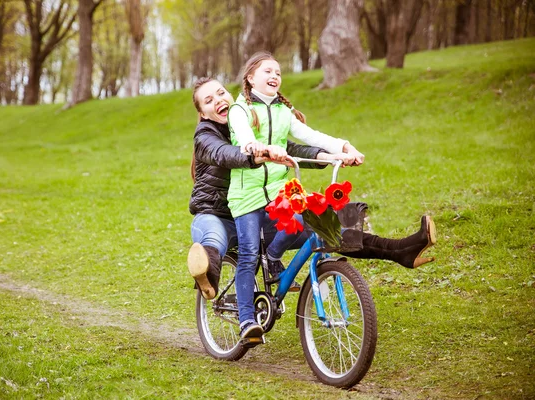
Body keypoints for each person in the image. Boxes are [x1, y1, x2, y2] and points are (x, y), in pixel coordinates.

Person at [187, 77, 436, 343]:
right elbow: (223, 153)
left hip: (260, 217)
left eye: (221, 93)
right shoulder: (205, 136)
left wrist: (330, 157)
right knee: (214, 241)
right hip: (216, 216)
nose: (218, 101)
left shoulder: (249, 120)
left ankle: (401, 250)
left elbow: (290, 148)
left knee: (329, 231)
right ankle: (207, 277)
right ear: (203, 113)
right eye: (209, 100)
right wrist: (254, 154)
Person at [227, 52, 368, 340]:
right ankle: (246, 321)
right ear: (251, 78)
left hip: (277, 194)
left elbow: (311, 136)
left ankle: (274, 256)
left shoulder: (282, 112)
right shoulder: (240, 110)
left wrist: (344, 147)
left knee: (305, 219)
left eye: (278, 72)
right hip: (246, 197)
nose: (275, 76)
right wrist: (262, 149)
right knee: (248, 254)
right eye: (268, 71)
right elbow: (244, 139)